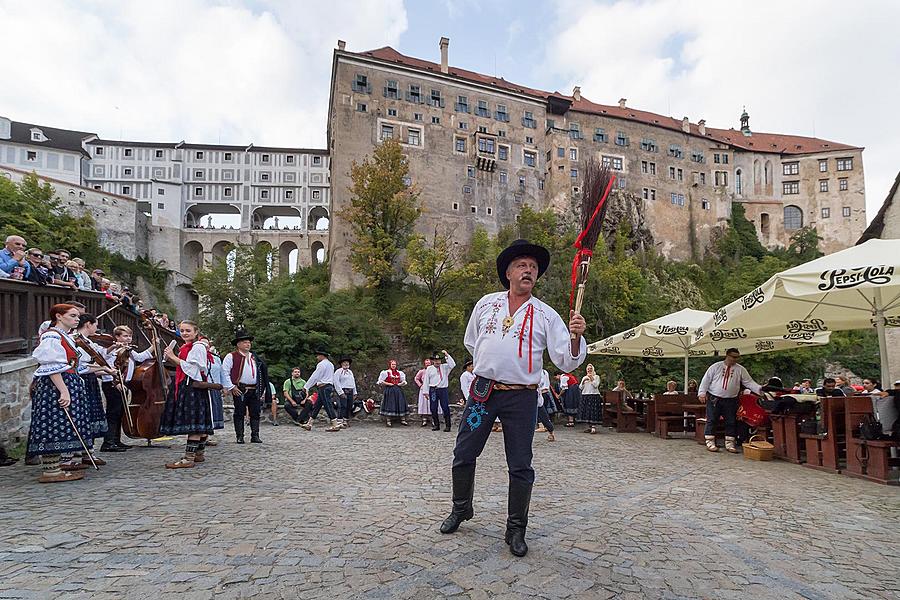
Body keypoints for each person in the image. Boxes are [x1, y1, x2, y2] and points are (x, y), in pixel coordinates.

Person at [440, 239, 586, 558]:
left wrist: (576, 337)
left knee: (520, 464)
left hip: (522, 398)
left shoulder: (546, 315)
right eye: (522, 265)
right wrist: (493, 364)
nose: (529, 271)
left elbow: (565, 358)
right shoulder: (486, 304)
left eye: (533, 268)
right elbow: (471, 342)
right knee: (464, 451)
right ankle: (461, 508)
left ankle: (516, 528)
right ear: (508, 272)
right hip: (483, 393)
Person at [26, 304, 93, 483]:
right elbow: (50, 365)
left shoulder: (65, 336)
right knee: (53, 425)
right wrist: (64, 391)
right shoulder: (51, 335)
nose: (77, 319)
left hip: (67, 382)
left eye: (78, 316)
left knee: (61, 424)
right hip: (54, 386)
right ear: (59, 316)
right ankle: (51, 471)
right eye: (72, 315)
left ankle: (55, 469)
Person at [160, 320, 215, 468]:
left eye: (188, 331)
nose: (184, 333)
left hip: (192, 387)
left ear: (196, 332)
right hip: (191, 387)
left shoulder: (197, 347)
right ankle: (199, 454)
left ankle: (189, 458)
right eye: (182, 330)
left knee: (194, 422)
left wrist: (172, 356)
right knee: (198, 420)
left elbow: (191, 369)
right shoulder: (189, 347)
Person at [98, 325, 153, 452]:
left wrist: (153, 346)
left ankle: (116, 440)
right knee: (113, 412)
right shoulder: (112, 350)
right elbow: (109, 366)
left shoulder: (128, 350)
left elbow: (140, 357)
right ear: (117, 337)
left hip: (124, 383)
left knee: (120, 412)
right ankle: (108, 442)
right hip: (113, 383)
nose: (129, 339)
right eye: (125, 336)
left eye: (130, 336)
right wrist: (115, 381)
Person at [697, 348, 763, 453]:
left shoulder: (740, 369)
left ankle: (730, 443)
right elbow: (706, 380)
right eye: (733, 357)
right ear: (727, 355)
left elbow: (749, 382)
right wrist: (702, 393)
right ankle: (710, 442)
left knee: (731, 421)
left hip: (731, 399)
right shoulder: (716, 367)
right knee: (712, 419)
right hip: (715, 398)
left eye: (737, 357)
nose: (735, 359)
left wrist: (760, 390)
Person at [73, 314, 113, 466]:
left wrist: (106, 370)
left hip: (90, 380)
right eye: (95, 325)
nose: (97, 329)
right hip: (83, 381)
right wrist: (105, 369)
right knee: (84, 416)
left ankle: (88, 452)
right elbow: (80, 367)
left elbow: (95, 362)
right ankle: (72, 456)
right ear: (88, 324)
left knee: (91, 417)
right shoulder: (76, 341)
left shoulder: (87, 341)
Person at [221, 329, 271, 444]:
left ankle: (255, 435)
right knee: (239, 413)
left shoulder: (255, 357)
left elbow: (262, 373)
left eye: (249, 342)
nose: (248, 344)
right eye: (245, 342)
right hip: (240, 389)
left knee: (255, 412)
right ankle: (240, 436)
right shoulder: (231, 356)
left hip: (255, 389)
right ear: (238, 344)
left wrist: (262, 388)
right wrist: (231, 387)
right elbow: (225, 372)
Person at [303, 350, 341, 432]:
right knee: (317, 405)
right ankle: (310, 423)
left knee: (328, 405)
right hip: (327, 386)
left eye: (318, 356)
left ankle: (335, 423)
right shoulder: (330, 364)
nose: (317, 357)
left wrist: (306, 386)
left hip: (324, 386)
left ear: (322, 356)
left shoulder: (321, 365)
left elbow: (315, 376)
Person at [423, 350, 456, 432]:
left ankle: (448, 426)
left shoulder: (445, 367)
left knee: (445, 407)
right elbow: (426, 380)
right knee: (433, 408)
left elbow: (453, 364)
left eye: (439, 360)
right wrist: (425, 392)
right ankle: (436, 425)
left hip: (443, 389)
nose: (437, 362)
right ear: (433, 361)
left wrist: (447, 355)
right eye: (435, 360)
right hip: (433, 390)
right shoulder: (429, 369)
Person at [378, 359, 409, 427]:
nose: (394, 366)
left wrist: (401, 384)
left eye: (395, 364)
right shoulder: (386, 372)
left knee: (400, 403)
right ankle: (388, 420)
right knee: (389, 403)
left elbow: (403, 381)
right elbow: (380, 381)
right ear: (390, 365)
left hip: (398, 390)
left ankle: (403, 419)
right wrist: (388, 383)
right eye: (392, 364)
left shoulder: (399, 373)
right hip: (389, 390)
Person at [578, 364, 603, 434]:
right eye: (588, 369)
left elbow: (596, 385)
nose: (589, 370)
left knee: (593, 411)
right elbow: (580, 387)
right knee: (587, 411)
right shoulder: (584, 377)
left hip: (594, 395)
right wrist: (583, 381)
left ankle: (593, 427)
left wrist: (591, 378)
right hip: (585, 395)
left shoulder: (596, 377)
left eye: (590, 369)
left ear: (593, 369)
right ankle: (589, 426)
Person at [334, 357, 358, 428]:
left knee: (349, 406)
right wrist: (340, 392)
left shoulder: (350, 372)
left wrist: (355, 392)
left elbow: (353, 382)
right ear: (341, 364)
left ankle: (346, 420)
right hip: (343, 390)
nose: (346, 364)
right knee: (342, 406)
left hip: (350, 390)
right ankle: (340, 421)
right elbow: (336, 382)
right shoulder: (338, 371)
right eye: (344, 362)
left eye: (347, 362)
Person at [536, 369, 556, 442]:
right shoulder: (544, 372)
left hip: (540, 393)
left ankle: (547, 429)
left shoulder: (540, 372)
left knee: (542, 412)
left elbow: (541, 383)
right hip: (542, 392)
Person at [415, 358, 434, 426]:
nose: (428, 365)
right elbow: (416, 378)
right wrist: (420, 385)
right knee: (424, 403)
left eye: (429, 364)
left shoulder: (434, 370)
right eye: (426, 364)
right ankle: (424, 419)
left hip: (432, 388)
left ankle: (433, 419)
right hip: (424, 388)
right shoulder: (422, 371)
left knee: (432, 403)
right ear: (424, 364)